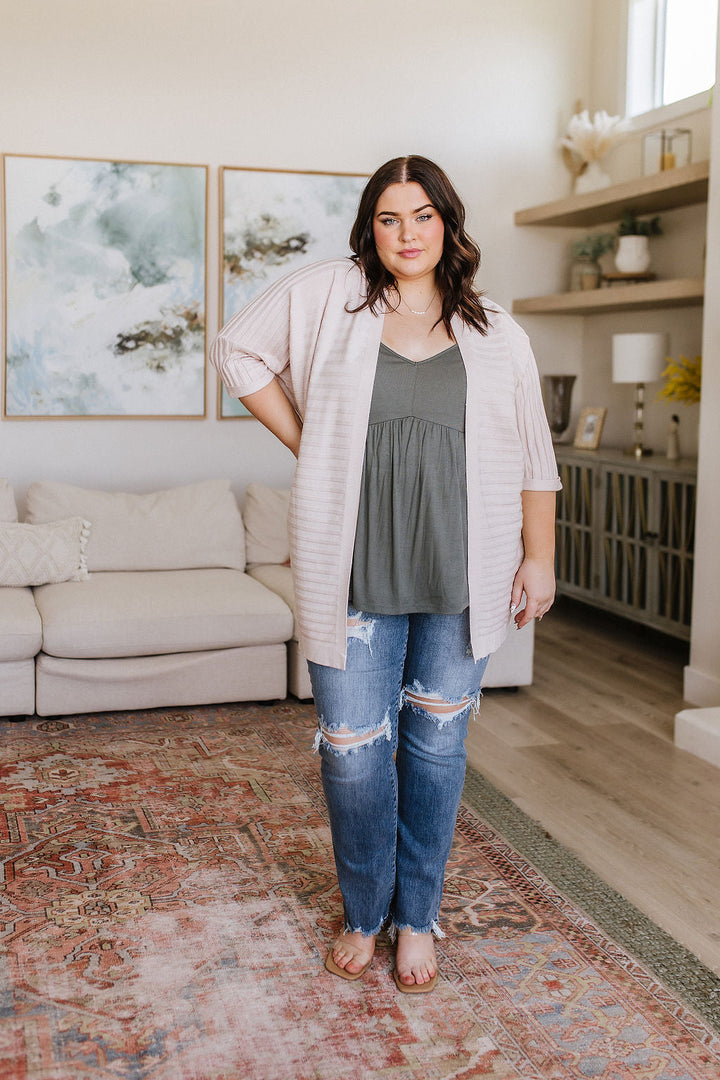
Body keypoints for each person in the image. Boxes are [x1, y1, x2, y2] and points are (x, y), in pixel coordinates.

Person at [211, 155, 561, 993]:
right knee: (354, 756)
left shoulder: (497, 331)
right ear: (371, 229)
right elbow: (237, 349)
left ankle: (416, 918)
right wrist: (312, 445)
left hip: (463, 572)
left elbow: (533, 455)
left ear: (449, 223)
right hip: (353, 571)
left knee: (436, 753)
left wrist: (540, 556)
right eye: (389, 219)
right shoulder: (335, 298)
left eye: (424, 217)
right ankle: (364, 909)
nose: (408, 235)